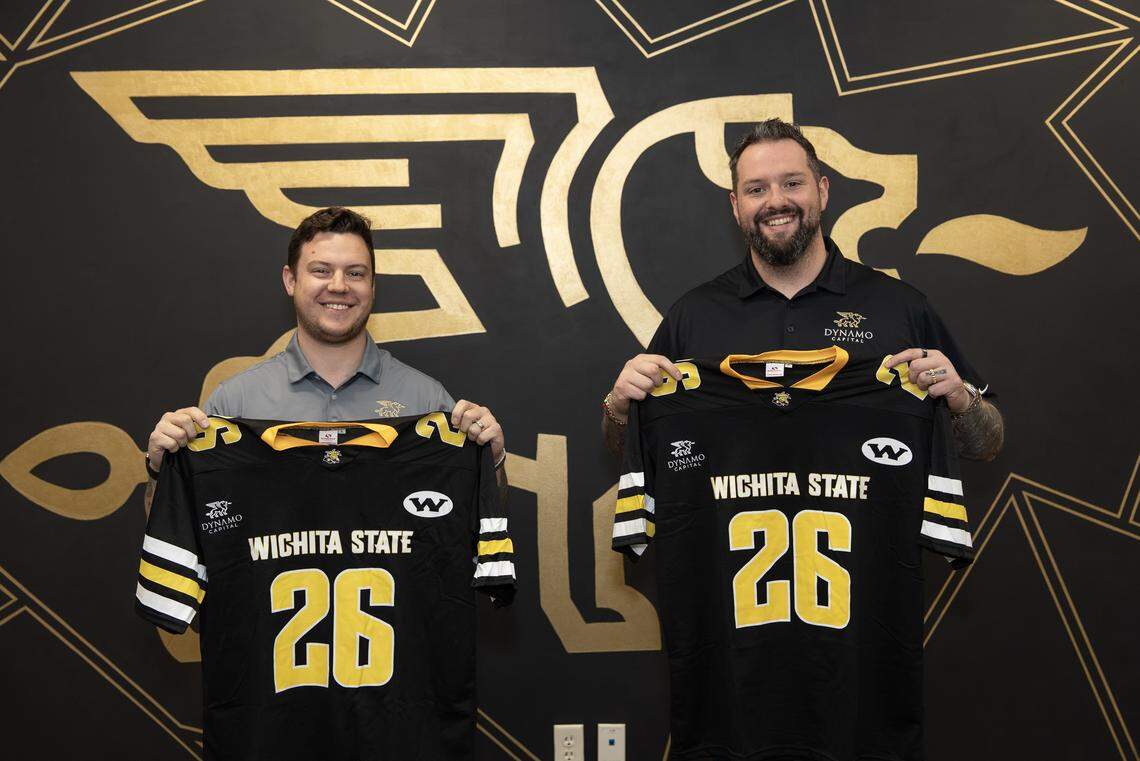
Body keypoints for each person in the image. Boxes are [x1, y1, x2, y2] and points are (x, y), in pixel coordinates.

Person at [602, 118, 1003, 461]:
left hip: (869, 551)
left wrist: (961, 399)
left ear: (823, 190)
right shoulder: (694, 315)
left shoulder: (899, 306)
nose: (776, 202)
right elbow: (629, 448)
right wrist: (620, 409)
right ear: (735, 205)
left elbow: (986, 444)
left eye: (792, 183)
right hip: (731, 551)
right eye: (756, 189)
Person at [145, 206, 506, 505]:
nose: (339, 286)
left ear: (372, 286)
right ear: (290, 280)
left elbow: (479, 523)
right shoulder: (234, 402)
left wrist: (492, 462)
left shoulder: (427, 401)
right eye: (321, 270)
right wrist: (161, 471)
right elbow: (178, 532)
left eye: (355, 273)